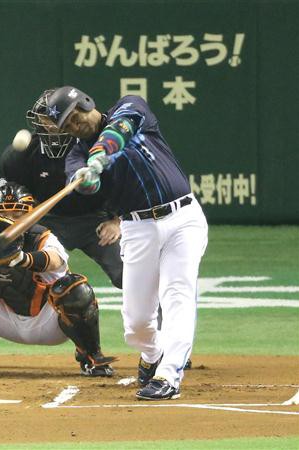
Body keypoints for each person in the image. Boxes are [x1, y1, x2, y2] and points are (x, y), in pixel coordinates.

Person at [42, 86, 208, 400]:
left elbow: (119, 130)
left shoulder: (131, 106)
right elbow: (81, 183)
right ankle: (151, 355)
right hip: (137, 227)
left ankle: (169, 375)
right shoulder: (76, 156)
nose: (75, 125)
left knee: (177, 295)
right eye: (67, 125)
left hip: (183, 218)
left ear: (87, 102)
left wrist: (100, 155)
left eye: (75, 116)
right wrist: (86, 180)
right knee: (136, 323)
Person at [0, 183, 116, 377]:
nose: (11, 220)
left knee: (75, 288)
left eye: (18, 215)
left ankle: (91, 357)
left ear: (31, 215)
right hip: (4, 321)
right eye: (4, 213)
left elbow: (55, 259)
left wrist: (25, 259)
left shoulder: (42, 237)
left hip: (50, 325)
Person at [0, 89, 123, 289]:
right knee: (15, 274)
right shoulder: (18, 157)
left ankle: (159, 318)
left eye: (54, 118)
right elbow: (9, 202)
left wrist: (117, 221)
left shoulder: (94, 147)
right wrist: (21, 224)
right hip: (45, 220)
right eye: (44, 119)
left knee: (128, 271)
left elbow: (123, 186)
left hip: (95, 220)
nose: (50, 125)